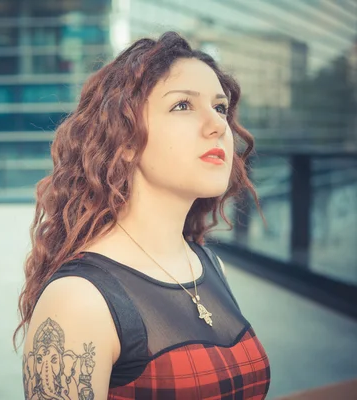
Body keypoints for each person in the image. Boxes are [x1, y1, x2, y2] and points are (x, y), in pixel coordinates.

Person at [14, 31, 271, 400]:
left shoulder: (209, 265)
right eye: (182, 105)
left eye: (220, 107)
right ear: (127, 141)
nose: (218, 125)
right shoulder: (79, 298)